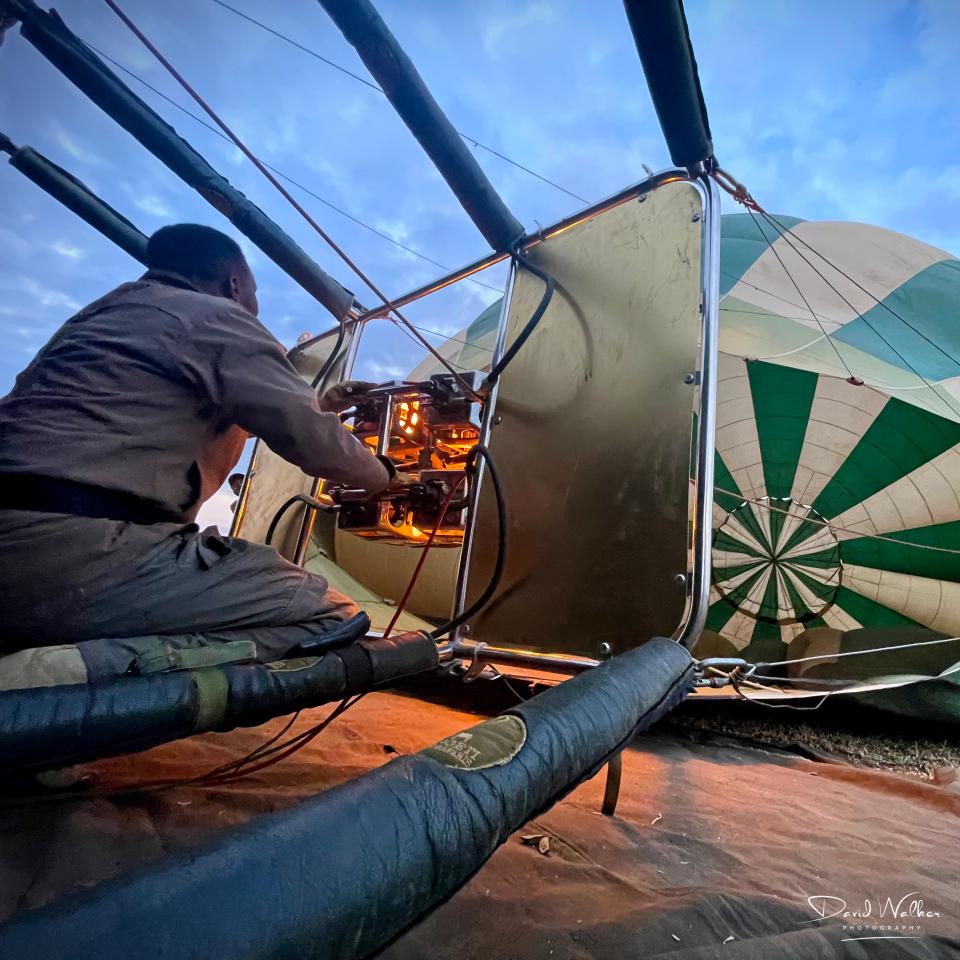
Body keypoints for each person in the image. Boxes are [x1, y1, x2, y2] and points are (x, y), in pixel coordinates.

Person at [0, 223, 391, 680]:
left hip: (23, 533)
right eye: (256, 292)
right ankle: (68, 672)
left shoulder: (96, 320)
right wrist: (384, 475)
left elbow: (183, 413)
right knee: (334, 616)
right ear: (235, 285)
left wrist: (323, 404)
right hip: (78, 550)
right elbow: (310, 439)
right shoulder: (217, 318)